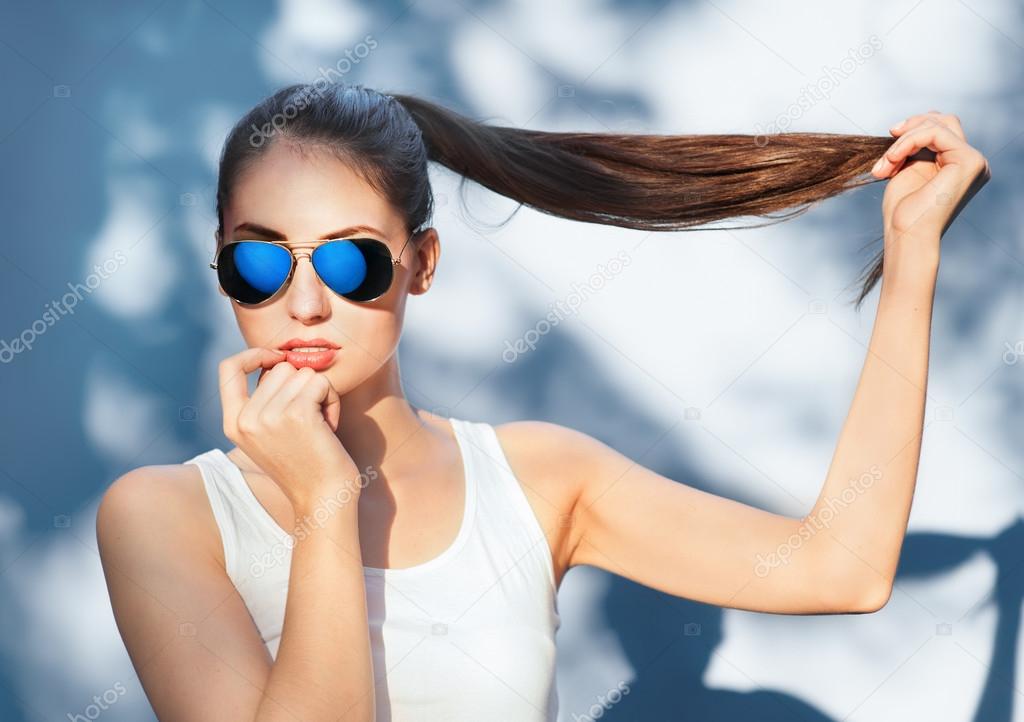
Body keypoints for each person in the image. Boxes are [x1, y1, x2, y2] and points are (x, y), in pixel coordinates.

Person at [95, 83, 990, 721]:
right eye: (258, 260)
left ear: (423, 263)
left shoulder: (536, 476)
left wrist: (911, 257)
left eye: (348, 260)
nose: (304, 303)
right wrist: (327, 503)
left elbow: (842, 567)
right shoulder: (163, 516)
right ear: (220, 265)